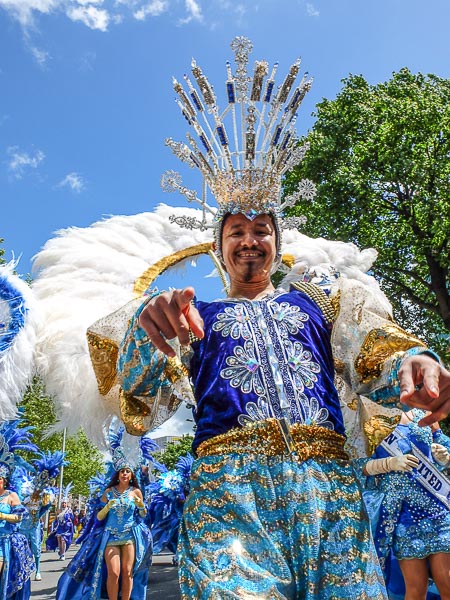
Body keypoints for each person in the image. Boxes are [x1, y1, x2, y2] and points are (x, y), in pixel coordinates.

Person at [112, 38, 450, 599]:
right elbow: (142, 407)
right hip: (229, 500)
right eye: (236, 230)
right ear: (219, 248)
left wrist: (416, 362)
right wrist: (149, 335)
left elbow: (376, 350)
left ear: (277, 240)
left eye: (261, 228)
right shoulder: (192, 316)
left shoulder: (321, 300)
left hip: (330, 499)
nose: (250, 239)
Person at [56, 422, 153, 600]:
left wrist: (140, 505)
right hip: (111, 536)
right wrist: (107, 506)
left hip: (130, 536)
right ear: (117, 474)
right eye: (122, 471)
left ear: (132, 475)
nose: (124, 474)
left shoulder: (135, 492)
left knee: (127, 572)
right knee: (114, 573)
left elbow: (142, 516)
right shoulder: (108, 492)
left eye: (127, 471)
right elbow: (99, 517)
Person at [363, 409, 450, 599]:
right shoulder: (365, 413)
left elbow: (442, 444)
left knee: (448, 583)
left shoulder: (425, 412)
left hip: (437, 509)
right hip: (402, 516)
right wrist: (388, 464)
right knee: (416, 589)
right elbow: (357, 465)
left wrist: (443, 457)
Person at [0, 420, 37, 599]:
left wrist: (2, 515)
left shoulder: (12, 496)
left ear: (5, 480)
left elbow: (19, 517)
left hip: (4, 542)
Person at [46, 495, 74, 560]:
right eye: (63, 503)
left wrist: (69, 520)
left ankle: (63, 554)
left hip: (66, 528)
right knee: (59, 541)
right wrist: (53, 527)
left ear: (66, 504)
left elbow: (72, 519)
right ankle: (61, 553)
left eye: (65, 503)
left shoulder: (69, 511)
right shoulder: (58, 511)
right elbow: (55, 520)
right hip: (59, 528)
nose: (64, 504)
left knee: (63, 540)